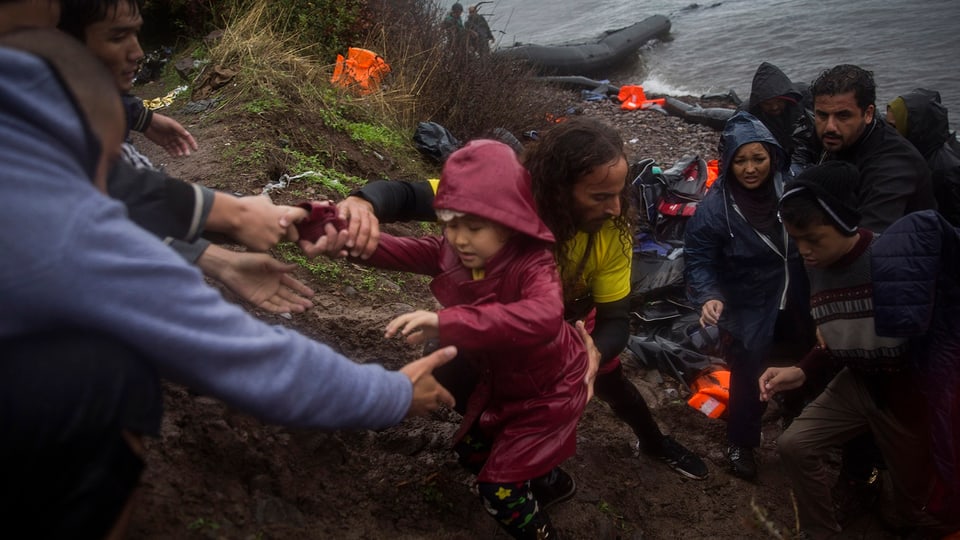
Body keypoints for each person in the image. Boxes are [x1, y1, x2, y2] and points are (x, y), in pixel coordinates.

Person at [0, 28, 457, 539]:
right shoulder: (66, 235)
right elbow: (248, 358)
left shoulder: (19, 178)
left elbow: (120, 226)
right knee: (116, 380)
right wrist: (391, 392)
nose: (118, 189)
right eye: (114, 167)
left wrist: (224, 255)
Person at [306, 117, 710, 484]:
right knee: (455, 377)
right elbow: (408, 196)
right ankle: (475, 445)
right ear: (558, 189)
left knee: (614, 386)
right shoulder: (502, 196)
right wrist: (364, 201)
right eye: (600, 196)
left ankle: (655, 442)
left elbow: (616, 320)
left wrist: (592, 357)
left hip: (569, 329)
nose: (615, 208)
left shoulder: (610, 233)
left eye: (619, 194)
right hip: (495, 315)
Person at [357, 139, 589, 539]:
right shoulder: (452, 251)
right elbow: (390, 248)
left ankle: (539, 530)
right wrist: (326, 227)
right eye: (450, 223)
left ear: (508, 220)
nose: (459, 239)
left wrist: (447, 322)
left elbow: (544, 317)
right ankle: (550, 482)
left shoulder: (535, 263)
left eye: (474, 226)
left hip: (548, 389)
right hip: (500, 379)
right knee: (472, 453)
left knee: (497, 488)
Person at [55, 0, 323, 314]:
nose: (138, 52)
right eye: (117, 38)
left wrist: (217, 258)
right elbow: (118, 202)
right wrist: (234, 215)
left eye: (135, 34)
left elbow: (126, 213)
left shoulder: (81, 101)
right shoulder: (53, 135)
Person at [758, 161, 960, 539]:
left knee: (913, 505)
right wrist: (802, 369)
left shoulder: (893, 265)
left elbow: (940, 339)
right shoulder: (816, 265)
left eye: (813, 239)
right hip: (858, 382)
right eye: (796, 240)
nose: (805, 252)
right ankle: (820, 531)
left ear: (845, 224)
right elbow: (839, 332)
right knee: (795, 445)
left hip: (906, 398)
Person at [684, 111, 808, 480]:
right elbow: (699, 258)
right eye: (740, 160)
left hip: (798, 290)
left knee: (804, 357)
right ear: (728, 162)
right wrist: (708, 295)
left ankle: (799, 419)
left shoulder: (793, 187)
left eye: (759, 158)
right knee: (746, 370)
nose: (751, 168)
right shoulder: (714, 209)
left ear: (774, 156)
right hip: (748, 298)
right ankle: (741, 441)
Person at [791, 64, 935, 233]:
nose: (829, 126)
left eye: (843, 115)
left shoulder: (893, 165)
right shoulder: (836, 135)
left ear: (868, 114)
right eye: (822, 115)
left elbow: (870, 238)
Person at [886, 88, 960, 226]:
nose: (887, 132)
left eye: (893, 126)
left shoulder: (946, 170)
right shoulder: (920, 152)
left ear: (913, 126)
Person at [736, 62, 804, 163]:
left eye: (779, 101)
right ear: (759, 103)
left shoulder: (804, 99)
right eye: (768, 103)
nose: (774, 107)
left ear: (787, 98)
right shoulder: (745, 113)